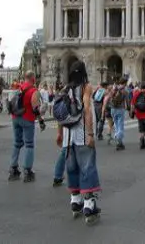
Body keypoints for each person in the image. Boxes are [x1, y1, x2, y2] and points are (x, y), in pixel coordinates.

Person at [56, 60, 101, 223]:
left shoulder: (64, 89)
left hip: (68, 136)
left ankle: (75, 201)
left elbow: (60, 113)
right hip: (82, 134)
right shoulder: (86, 87)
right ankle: (89, 203)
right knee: (87, 167)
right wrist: (90, 133)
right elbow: (87, 110)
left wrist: (59, 133)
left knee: (72, 167)